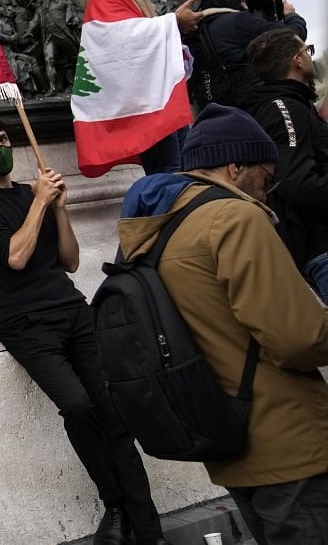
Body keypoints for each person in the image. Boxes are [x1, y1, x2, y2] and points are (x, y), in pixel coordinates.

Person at [117, 103, 328, 543]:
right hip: (287, 439)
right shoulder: (234, 218)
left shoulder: (153, 232)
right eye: (266, 180)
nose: (266, 194)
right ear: (236, 167)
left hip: (228, 439)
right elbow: (296, 339)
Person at [0, 114, 168, 545]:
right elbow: (14, 256)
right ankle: (114, 505)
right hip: (26, 325)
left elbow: (70, 261)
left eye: (3, 139)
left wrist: (59, 208)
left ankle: (148, 530)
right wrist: (38, 203)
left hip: (73, 311)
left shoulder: (34, 195)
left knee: (113, 412)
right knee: (78, 406)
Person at [80, 0, 200, 174]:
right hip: (147, 106)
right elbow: (126, 41)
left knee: (183, 172)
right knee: (171, 175)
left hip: (156, 97)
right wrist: (174, 22)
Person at [235, 29, 328, 303]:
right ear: (296, 61)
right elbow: (296, 179)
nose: (311, 57)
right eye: (306, 50)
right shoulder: (284, 107)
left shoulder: (291, 103)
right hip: (320, 246)